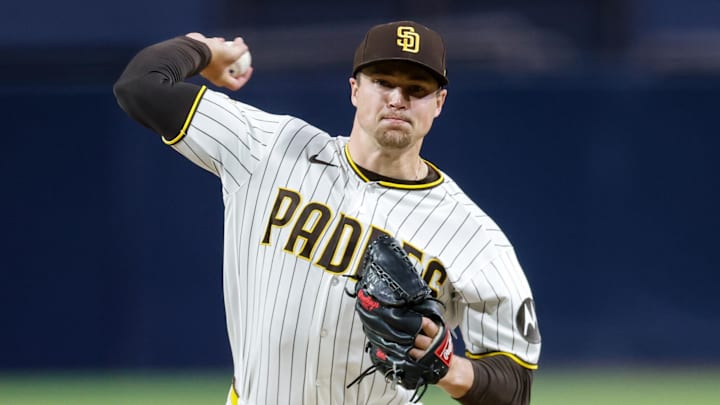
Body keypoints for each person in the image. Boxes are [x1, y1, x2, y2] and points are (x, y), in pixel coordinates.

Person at [114, 20, 541, 405]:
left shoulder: (474, 237)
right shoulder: (269, 148)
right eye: (382, 81)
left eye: (416, 89)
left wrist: (449, 367)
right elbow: (140, 86)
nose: (397, 98)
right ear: (355, 88)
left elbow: (515, 385)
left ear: (439, 102)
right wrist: (202, 49)